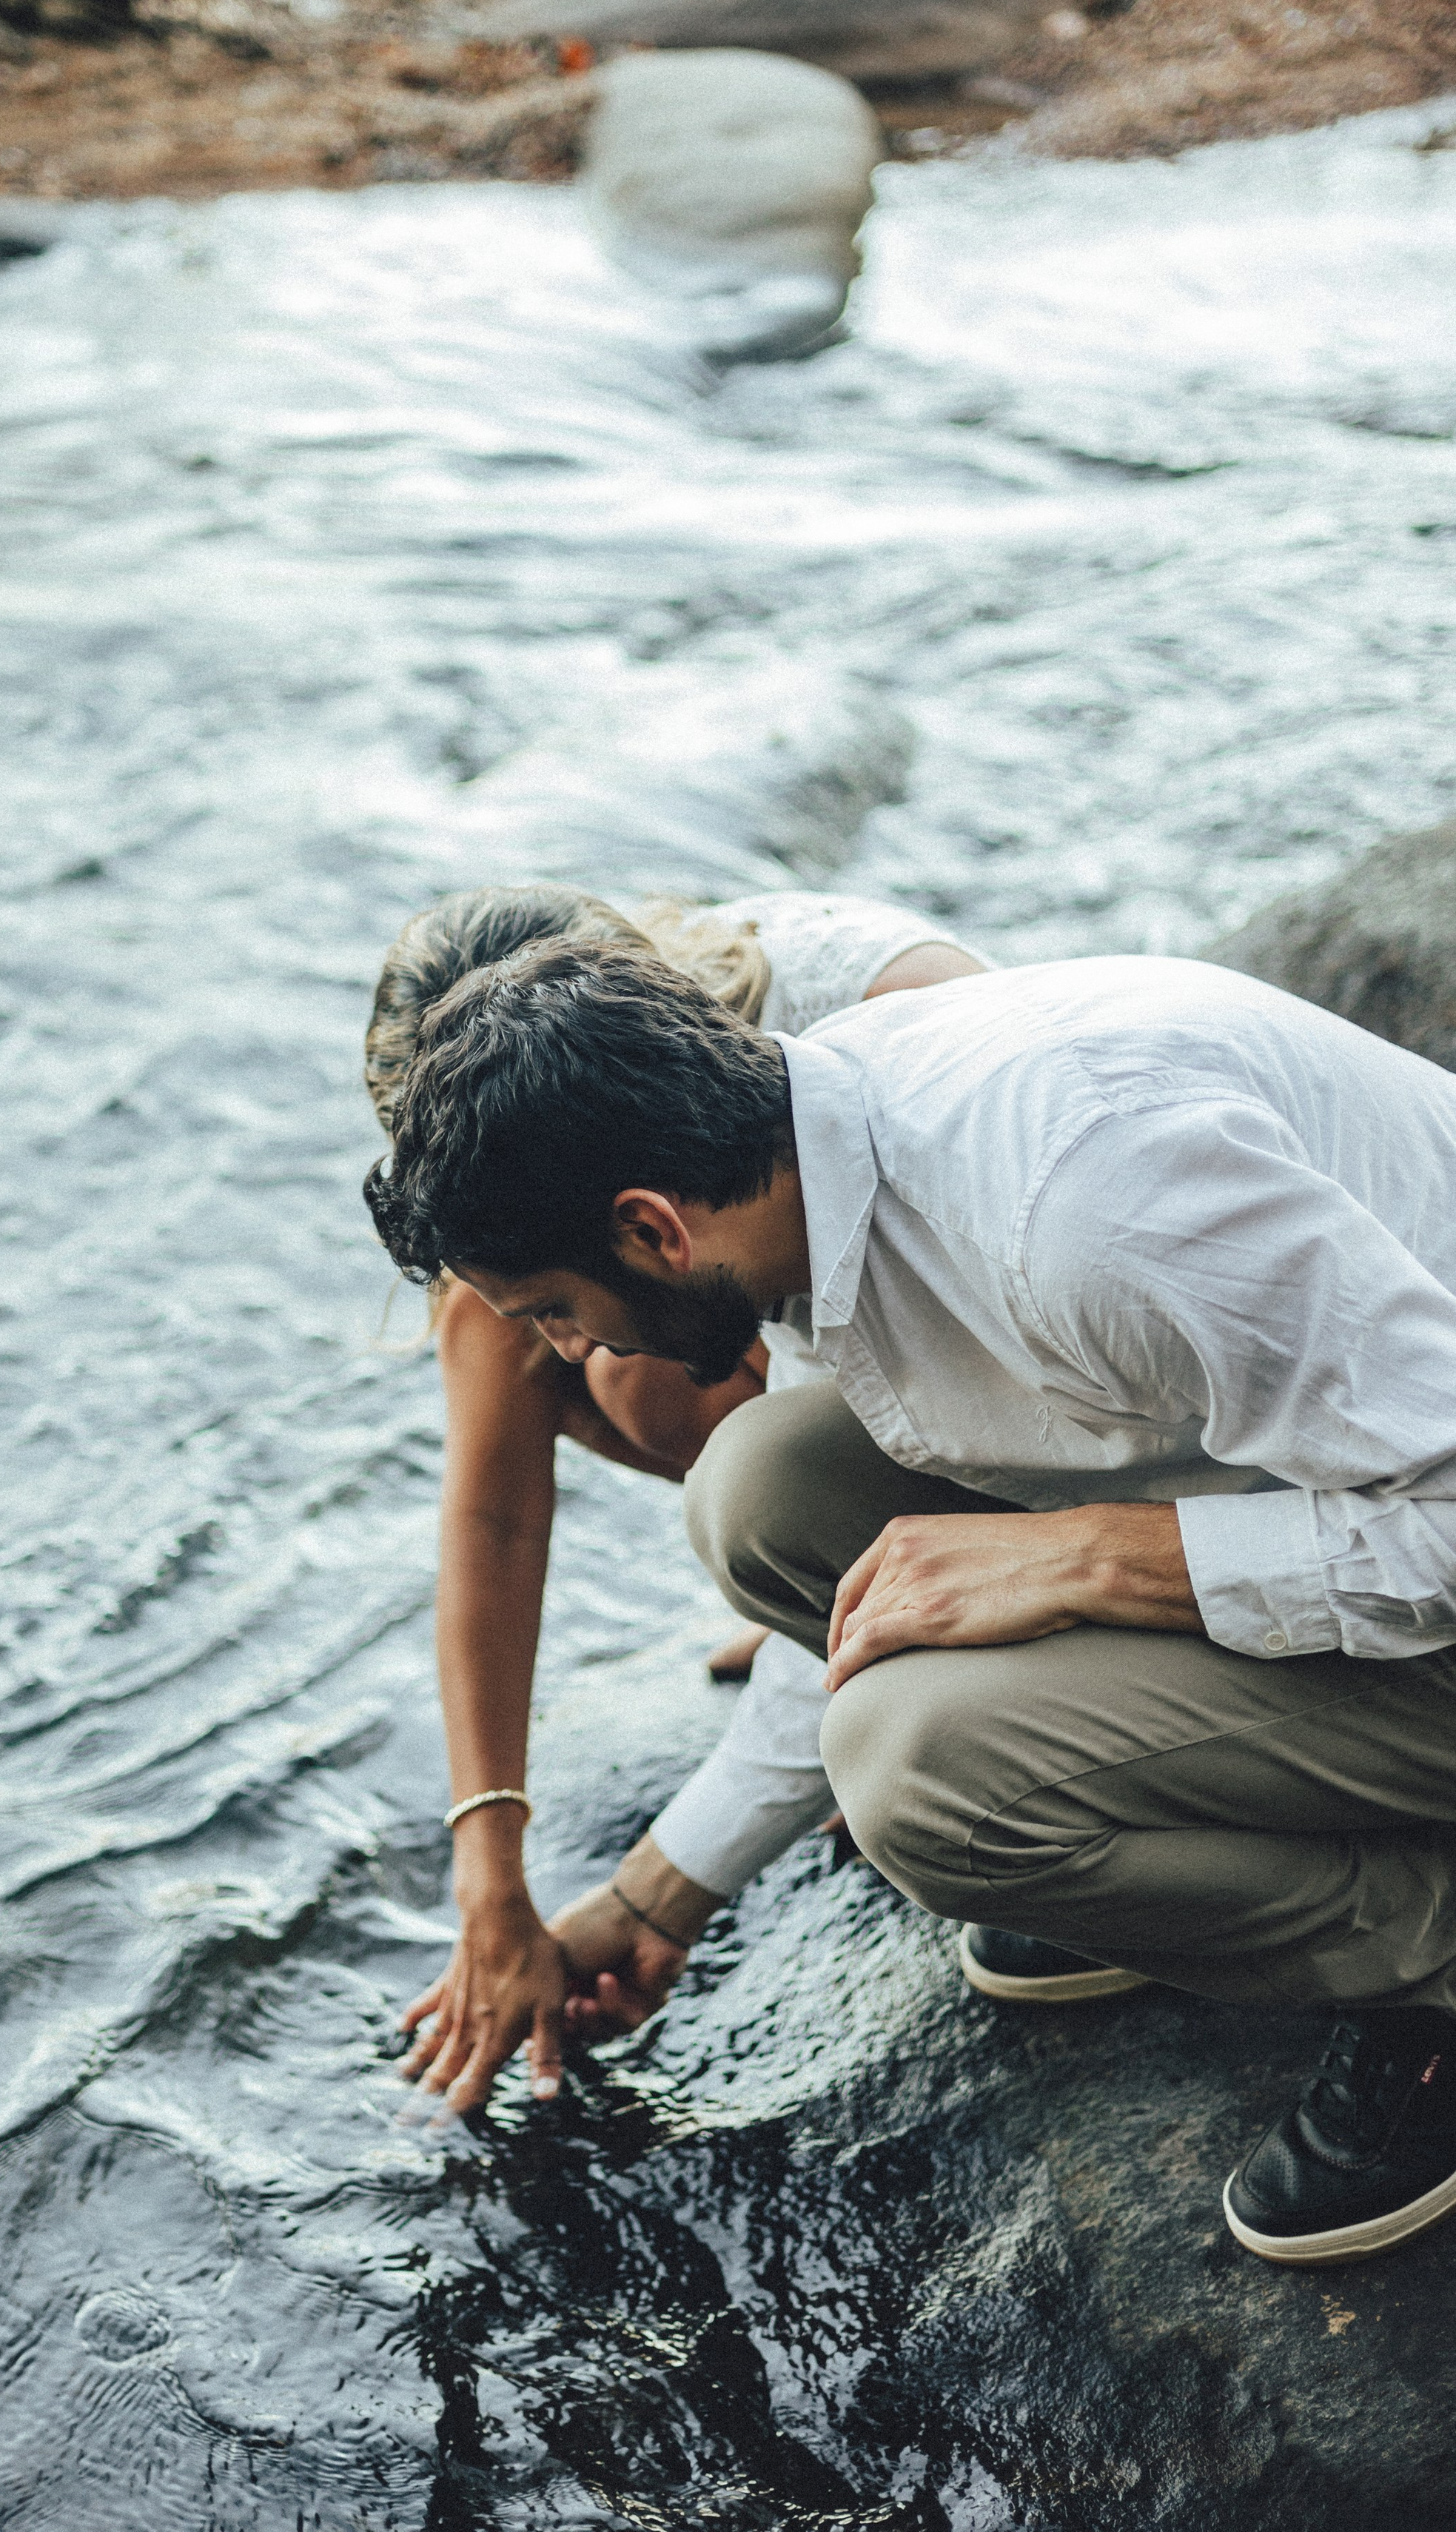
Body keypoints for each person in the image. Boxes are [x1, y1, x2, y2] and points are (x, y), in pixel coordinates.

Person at [368, 937, 1456, 2268]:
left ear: (652, 1227)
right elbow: (858, 1610)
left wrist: (1103, 1558)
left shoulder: (1085, 1204)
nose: (569, 1355)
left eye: (552, 1309)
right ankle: (1177, 1817)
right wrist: (664, 1894)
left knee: (923, 1772)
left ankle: (1429, 1960)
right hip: (1341, 1477)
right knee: (759, 1489)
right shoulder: (809, 1152)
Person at [363, 885, 984, 2083]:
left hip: (1021, 1403)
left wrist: (673, 1877)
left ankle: (858, 1599)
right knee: (549, 1341)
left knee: (664, 1396)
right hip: (847, 1379)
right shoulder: (560, 1192)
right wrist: (490, 1878)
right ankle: (817, 1580)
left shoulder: (876, 1017)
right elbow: (491, 1513)